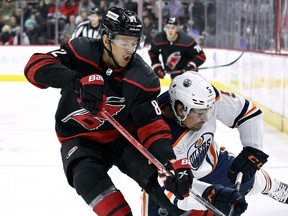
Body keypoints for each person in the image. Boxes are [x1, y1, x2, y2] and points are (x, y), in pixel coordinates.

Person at [23, 7, 193, 216]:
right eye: (124, 42)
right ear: (106, 40)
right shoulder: (81, 52)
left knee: (164, 187)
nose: (130, 49)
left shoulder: (143, 78)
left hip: (122, 139)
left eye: (134, 42)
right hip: (79, 138)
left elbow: (151, 125)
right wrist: (76, 81)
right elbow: (34, 66)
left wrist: (169, 162)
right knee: (86, 178)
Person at [143, 71, 288, 216]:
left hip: (213, 165)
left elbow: (248, 112)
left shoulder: (204, 99)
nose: (206, 118)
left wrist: (253, 150)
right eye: (200, 113)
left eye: (208, 111)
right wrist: (213, 196)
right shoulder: (156, 135)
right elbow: (176, 194)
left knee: (250, 179)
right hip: (175, 186)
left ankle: (274, 187)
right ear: (181, 109)